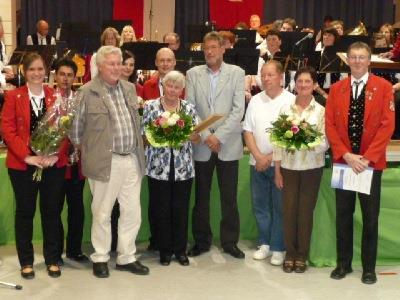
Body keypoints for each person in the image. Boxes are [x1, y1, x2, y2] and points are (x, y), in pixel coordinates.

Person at [70, 45, 149, 278]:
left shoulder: (129, 88)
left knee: (132, 212)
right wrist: (90, 150)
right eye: (111, 64)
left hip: (132, 159)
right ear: (100, 66)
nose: (117, 68)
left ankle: (126, 257)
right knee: (102, 212)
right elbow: (75, 131)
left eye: (119, 63)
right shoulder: (86, 92)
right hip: (106, 162)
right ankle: (101, 257)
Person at [325, 42, 395, 284]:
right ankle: (343, 264)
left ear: (369, 61)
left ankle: (368, 268)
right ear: (348, 61)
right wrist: (345, 154)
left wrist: (366, 158)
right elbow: (330, 126)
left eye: (361, 57)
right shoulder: (336, 89)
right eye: (353, 57)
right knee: (343, 215)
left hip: (370, 165)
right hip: (344, 163)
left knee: (370, 218)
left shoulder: (384, 87)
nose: (356, 61)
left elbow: (388, 126)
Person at [1, 53, 67, 279]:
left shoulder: (55, 95)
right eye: (32, 70)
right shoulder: (13, 96)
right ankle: (26, 261)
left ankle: (52, 259)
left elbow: (64, 129)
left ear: (46, 71)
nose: (37, 73)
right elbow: (7, 131)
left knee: (51, 212)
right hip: (23, 166)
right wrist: (27, 157)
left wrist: (54, 155)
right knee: (25, 213)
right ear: (24, 72)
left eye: (40, 69)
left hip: (52, 165)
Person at [186, 31, 245, 259]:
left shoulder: (237, 73)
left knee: (229, 198)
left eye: (213, 47)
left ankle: (230, 242)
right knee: (201, 198)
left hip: (227, 145)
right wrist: (206, 136)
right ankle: (201, 241)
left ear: (223, 49)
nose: (209, 51)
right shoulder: (193, 74)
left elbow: (238, 110)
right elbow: (190, 109)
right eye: (205, 48)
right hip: (201, 146)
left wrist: (217, 136)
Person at [274, 66, 329, 273]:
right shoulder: (285, 110)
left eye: (308, 81)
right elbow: (277, 142)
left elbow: (325, 142)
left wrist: (303, 140)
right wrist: (277, 170)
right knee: (288, 211)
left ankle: (301, 255)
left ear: (315, 85)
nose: (303, 85)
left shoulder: (322, 111)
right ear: (295, 84)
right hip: (288, 167)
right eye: (300, 81)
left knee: (305, 212)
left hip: (311, 168)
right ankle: (290, 253)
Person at [142, 70, 200, 266]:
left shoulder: (189, 109)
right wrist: (157, 136)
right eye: (169, 86)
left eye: (177, 87)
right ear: (163, 86)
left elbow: (197, 136)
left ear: (182, 90)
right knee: (162, 209)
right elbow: (143, 136)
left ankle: (180, 250)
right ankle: (165, 251)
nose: (173, 90)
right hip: (158, 167)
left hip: (183, 168)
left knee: (181, 209)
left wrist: (194, 137)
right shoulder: (151, 107)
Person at [243, 60, 295, 265]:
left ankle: (278, 247)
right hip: (256, 163)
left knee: (279, 206)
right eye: (263, 75)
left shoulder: (291, 100)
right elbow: (247, 130)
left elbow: (291, 134)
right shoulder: (255, 100)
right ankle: (264, 243)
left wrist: (269, 158)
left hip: (279, 165)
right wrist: (257, 156)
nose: (265, 79)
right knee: (261, 206)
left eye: (270, 75)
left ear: (281, 77)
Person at [54, 58, 89, 264]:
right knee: (54, 208)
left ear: (75, 78)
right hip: (55, 164)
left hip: (77, 163)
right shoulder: (49, 99)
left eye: (70, 75)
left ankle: (74, 249)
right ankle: (55, 251)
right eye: (62, 74)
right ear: (55, 76)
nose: (66, 78)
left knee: (76, 208)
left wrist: (80, 145)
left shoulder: (80, 100)